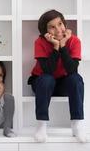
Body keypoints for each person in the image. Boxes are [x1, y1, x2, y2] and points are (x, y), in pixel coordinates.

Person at [28, 9, 86, 142]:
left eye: (60, 24)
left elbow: (72, 70)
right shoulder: (40, 42)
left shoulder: (74, 41)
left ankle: (77, 125)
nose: (58, 29)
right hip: (42, 83)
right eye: (52, 27)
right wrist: (55, 46)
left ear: (64, 24)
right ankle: (41, 126)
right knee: (47, 79)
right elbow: (48, 70)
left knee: (76, 79)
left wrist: (63, 45)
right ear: (45, 31)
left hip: (62, 83)